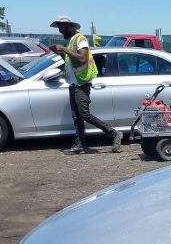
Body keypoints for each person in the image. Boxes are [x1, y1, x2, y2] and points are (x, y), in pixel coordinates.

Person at [50, 15, 122, 155]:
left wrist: (64, 49)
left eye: (61, 27)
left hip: (82, 82)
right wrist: (60, 53)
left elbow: (82, 58)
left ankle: (113, 134)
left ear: (68, 26)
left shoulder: (80, 39)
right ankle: (79, 144)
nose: (59, 30)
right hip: (74, 82)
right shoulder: (72, 41)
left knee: (84, 114)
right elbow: (71, 60)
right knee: (77, 116)